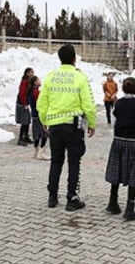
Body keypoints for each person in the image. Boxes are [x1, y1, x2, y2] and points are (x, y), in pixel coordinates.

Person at [37, 44, 96, 211]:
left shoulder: (50, 77)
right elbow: (88, 104)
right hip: (73, 126)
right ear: (74, 58)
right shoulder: (80, 78)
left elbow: (42, 103)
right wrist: (91, 123)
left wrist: (44, 120)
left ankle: (52, 196)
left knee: (56, 160)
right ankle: (72, 197)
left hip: (55, 126)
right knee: (74, 161)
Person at [104, 77, 135, 221]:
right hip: (133, 141)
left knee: (116, 169)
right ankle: (130, 208)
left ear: (122, 88)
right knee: (133, 172)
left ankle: (113, 202)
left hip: (118, 140)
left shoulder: (117, 103)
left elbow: (114, 122)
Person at [27, 75, 50, 160]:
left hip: (34, 115)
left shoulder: (30, 91)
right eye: (38, 80)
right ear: (35, 82)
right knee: (44, 134)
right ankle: (41, 152)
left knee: (36, 134)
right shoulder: (36, 92)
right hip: (39, 115)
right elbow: (41, 104)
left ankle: (35, 151)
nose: (40, 81)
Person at [15, 67, 34, 146]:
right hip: (22, 104)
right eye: (31, 72)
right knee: (24, 122)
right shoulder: (24, 81)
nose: (32, 74)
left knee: (27, 121)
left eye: (32, 72)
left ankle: (26, 136)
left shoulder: (29, 81)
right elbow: (22, 93)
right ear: (27, 73)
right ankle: (20, 138)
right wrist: (25, 103)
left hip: (26, 103)